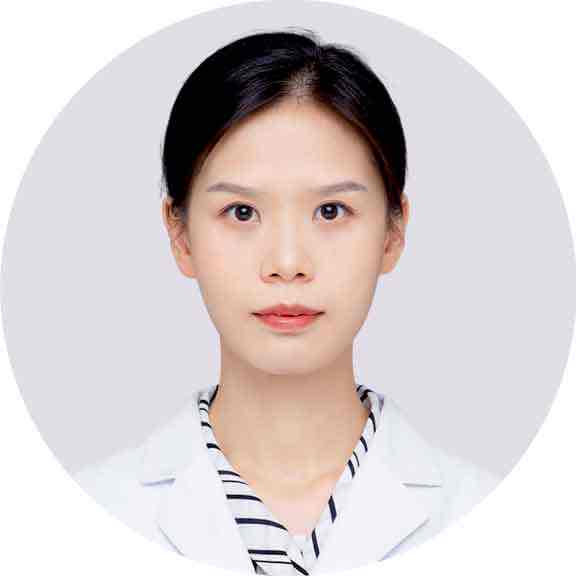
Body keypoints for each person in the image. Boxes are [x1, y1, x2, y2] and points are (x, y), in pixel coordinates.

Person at [74, 29, 501, 575]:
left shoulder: (496, 517)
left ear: (393, 232)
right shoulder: (81, 515)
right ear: (180, 235)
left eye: (331, 212)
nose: (287, 263)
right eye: (242, 213)